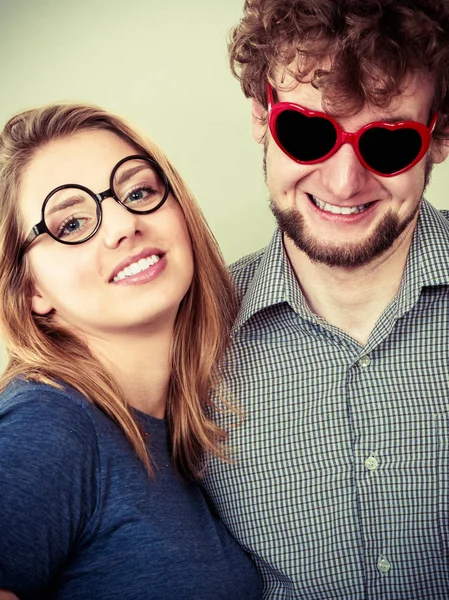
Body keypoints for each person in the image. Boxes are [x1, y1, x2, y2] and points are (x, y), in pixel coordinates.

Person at [201, 0, 449, 598]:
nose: (343, 182)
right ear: (263, 117)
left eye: (388, 143)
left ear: (438, 137)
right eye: (307, 132)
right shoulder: (188, 336)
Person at [0, 103, 263, 599]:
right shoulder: (50, 425)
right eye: (71, 224)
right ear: (31, 290)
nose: (124, 224)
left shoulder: (169, 429)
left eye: (138, 191)